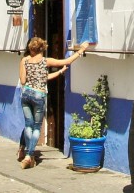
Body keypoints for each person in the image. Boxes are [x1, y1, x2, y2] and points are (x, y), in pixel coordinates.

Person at [17, 38, 88, 169]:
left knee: (28, 126)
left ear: (32, 48)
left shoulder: (24, 61)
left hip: (26, 94)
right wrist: (81, 50)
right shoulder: (46, 61)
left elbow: (22, 80)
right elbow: (66, 61)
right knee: (37, 127)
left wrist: (59, 72)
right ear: (42, 49)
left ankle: (27, 153)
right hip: (39, 94)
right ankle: (29, 155)